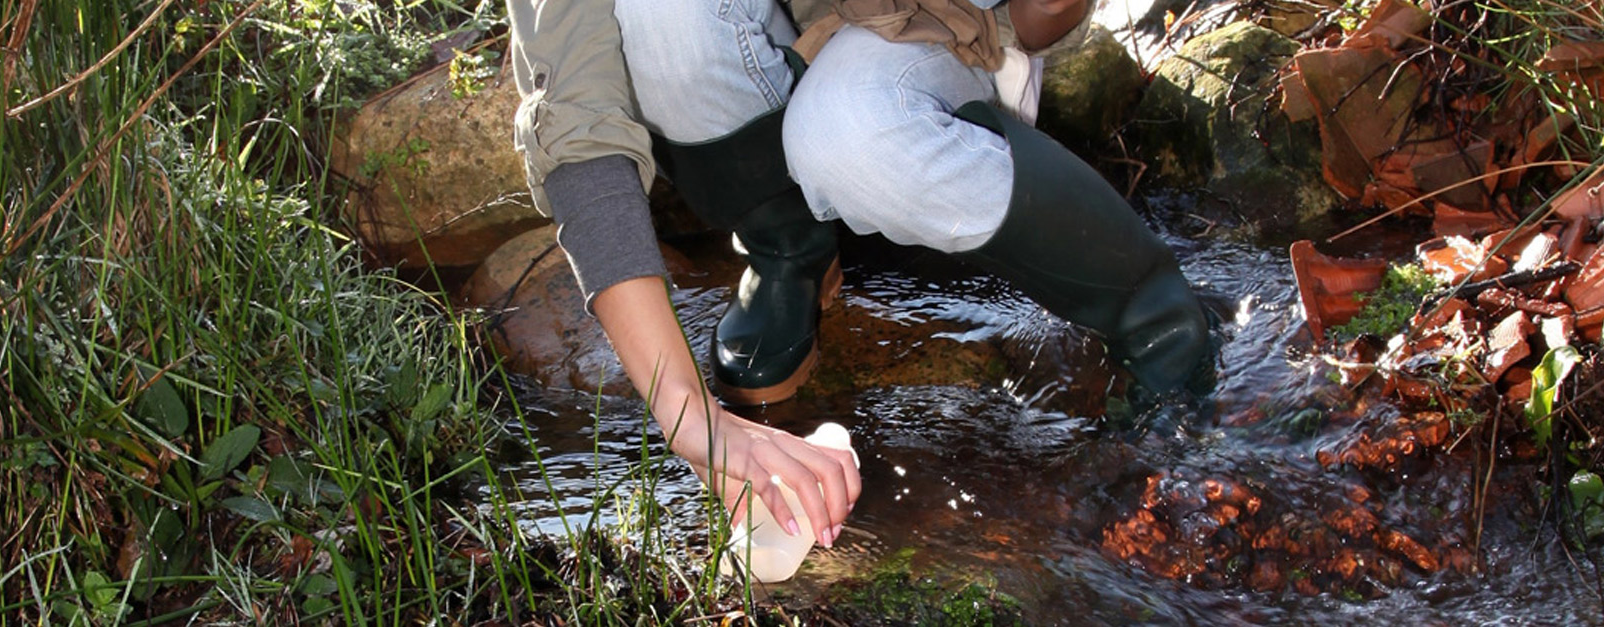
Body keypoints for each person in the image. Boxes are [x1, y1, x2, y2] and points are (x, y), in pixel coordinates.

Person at [501, 0, 1215, 550]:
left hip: (937, 24)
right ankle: (791, 252)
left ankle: (1155, 316)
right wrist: (687, 415)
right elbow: (576, 121)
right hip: (767, 26)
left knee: (844, 134)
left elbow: (1037, 18)